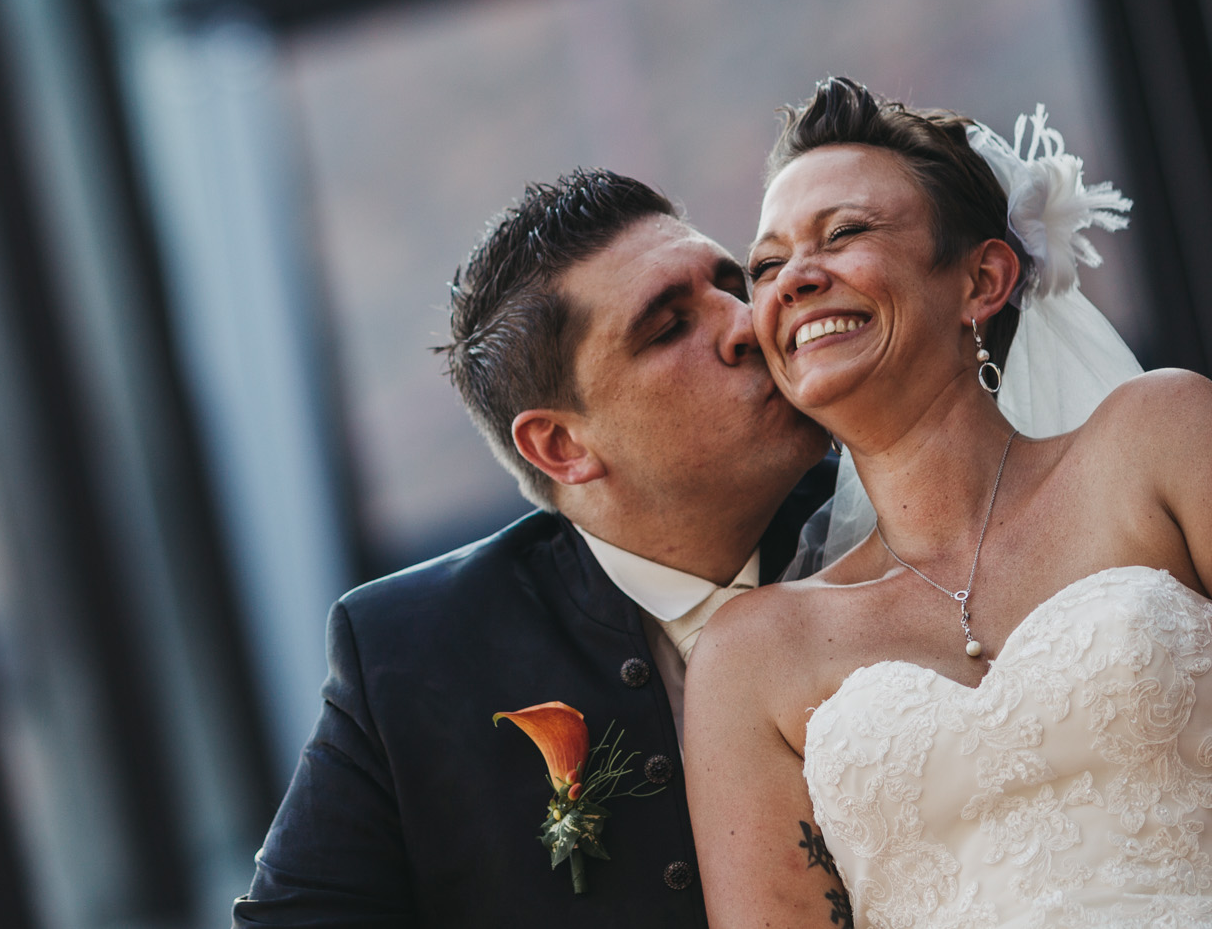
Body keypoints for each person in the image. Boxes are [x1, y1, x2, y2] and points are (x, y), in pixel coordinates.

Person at [234, 168, 835, 927]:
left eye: (730, 282)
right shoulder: (412, 655)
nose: (747, 322)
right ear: (560, 444)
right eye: (669, 325)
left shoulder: (904, 521)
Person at [688, 76, 1212, 928]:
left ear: (983, 280)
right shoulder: (753, 655)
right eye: (767, 265)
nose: (795, 280)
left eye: (845, 232)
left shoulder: (1160, 439)